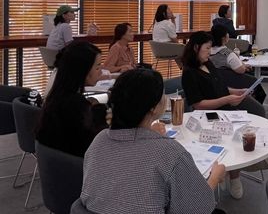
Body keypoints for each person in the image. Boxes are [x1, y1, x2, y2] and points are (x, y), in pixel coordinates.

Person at [80, 68, 226, 214]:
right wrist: (214, 177)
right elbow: (199, 206)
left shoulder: (99, 141)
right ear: (153, 108)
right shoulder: (170, 153)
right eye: (163, 94)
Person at [181, 30, 265, 199]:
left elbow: (220, 87)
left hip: (225, 109)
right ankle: (228, 174)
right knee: (228, 137)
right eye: (207, 48)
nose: (210, 51)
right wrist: (226, 99)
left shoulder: (208, 63)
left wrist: (236, 91)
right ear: (196, 48)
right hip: (208, 116)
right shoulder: (189, 73)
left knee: (240, 133)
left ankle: (234, 174)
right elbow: (198, 104)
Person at [36, 42, 107, 157]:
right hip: (79, 165)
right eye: (97, 67)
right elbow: (94, 146)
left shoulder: (55, 98)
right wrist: (100, 114)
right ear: (82, 70)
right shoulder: (75, 106)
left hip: (58, 164)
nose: (101, 71)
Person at [209, 24, 266, 104]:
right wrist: (244, 66)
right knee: (258, 88)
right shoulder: (228, 53)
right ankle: (255, 107)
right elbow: (241, 70)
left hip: (215, 83)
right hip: (233, 82)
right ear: (224, 38)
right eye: (227, 33)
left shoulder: (208, 52)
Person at [151, 4, 184, 69]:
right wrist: (181, 46)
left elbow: (172, 30)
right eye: (169, 9)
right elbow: (174, 39)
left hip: (158, 52)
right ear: (164, 13)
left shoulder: (156, 24)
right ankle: (185, 68)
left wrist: (173, 19)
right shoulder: (168, 24)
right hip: (168, 51)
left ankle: (182, 67)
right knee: (185, 49)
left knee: (177, 49)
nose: (171, 11)